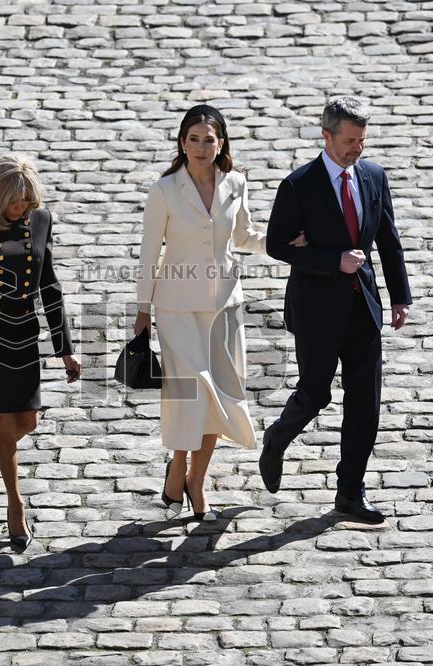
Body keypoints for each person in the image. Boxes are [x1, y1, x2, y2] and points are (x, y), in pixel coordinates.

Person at [133, 105, 300, 522]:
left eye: (209, 139)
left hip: (224, 306)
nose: (202, 147)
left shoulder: (236, 183)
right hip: (176, 307)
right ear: (182, 143)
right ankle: (177, 465)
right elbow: (149, 255)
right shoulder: (165, 190)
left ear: (221, 143)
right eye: (193, 139)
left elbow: (243, 235)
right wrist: (141, 311)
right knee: (191, 396)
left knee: (220, 397)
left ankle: (195, 480)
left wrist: (285, 244)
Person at [259, 96, 412, 524]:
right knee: (315, 393)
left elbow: (388, 238)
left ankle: (350, 493)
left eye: (362, 140)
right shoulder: (298, 185)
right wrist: (332, 261)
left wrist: (400, 297)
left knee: (366, 404)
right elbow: (276, 244)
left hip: (364, 307)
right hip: (316, 310)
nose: (357, 149)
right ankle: (276, 439)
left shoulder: (373, 176)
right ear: (326, 137)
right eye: (349, 141)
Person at [0, 154, 81, 551]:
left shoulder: (41, 220)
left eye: (28, 201)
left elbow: (50, 285)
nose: (23, 208)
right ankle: (16, 507)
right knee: (7, 426)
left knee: (27, 422)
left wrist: (65, 349)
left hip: (23, 336)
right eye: (16, 201)